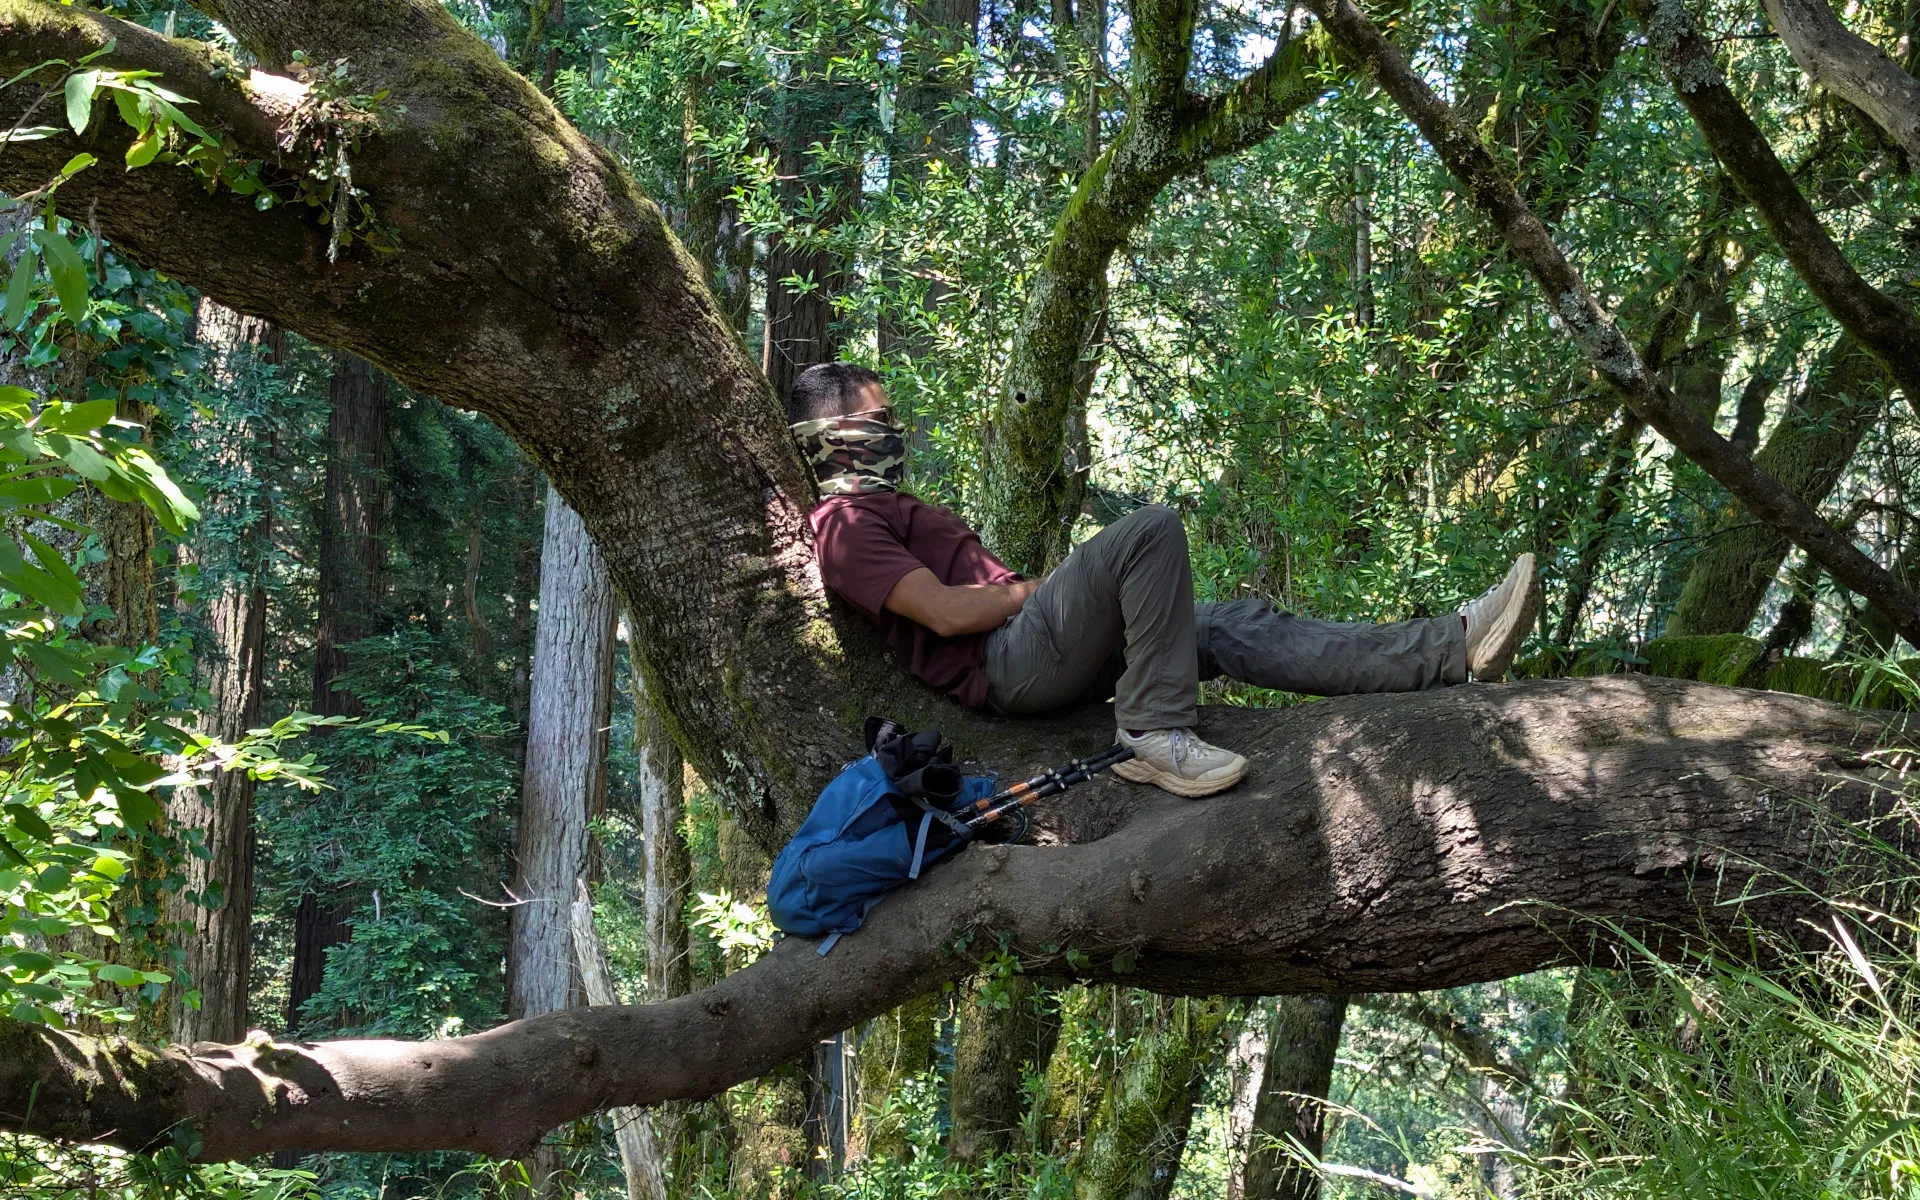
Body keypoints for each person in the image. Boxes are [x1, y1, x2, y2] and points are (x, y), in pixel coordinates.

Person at [792, 362, 1540, 799]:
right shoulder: (845, 527)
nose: (897, 432)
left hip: (1032, 648)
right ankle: (1151, 729)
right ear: (840, 438)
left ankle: (1452, 646)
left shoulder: (883, 509)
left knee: (1222, 625)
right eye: (883, 419)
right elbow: (951, 615)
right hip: (1005, 663)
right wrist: (1032, 592)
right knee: (1149, 529)